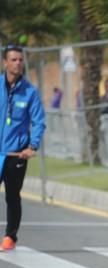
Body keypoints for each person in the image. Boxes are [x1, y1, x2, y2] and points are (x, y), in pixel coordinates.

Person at [0, 45, 46, 251]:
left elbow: (38, 121)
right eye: (13, 60)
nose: (18, 63)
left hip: (16, 154)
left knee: (12, 196)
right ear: (5, 63)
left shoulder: (30, 92)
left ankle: (10, 237)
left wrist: (32, 146)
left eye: (20, 60)